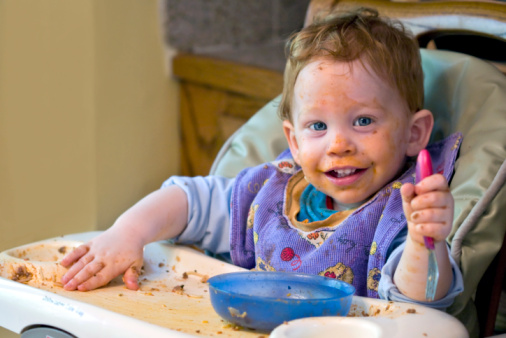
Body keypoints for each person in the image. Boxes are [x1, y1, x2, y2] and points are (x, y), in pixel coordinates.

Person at [61, 8, 463, 307]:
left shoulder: (405, 213)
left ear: (414, 134)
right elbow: (189, 200)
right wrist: (128, 233)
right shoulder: (269, 194)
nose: (338, 144)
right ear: (293, 138)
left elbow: (418, 306)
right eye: (318, 127)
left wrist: (425, 241)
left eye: (363, 120)